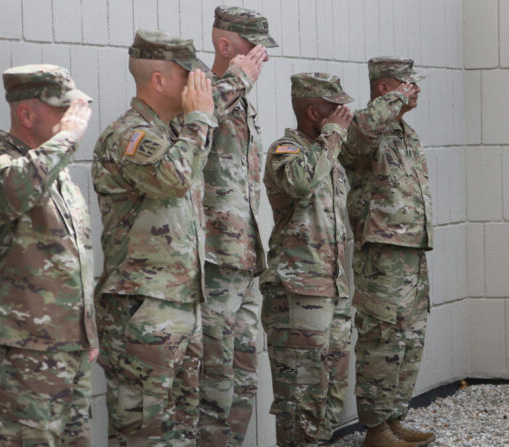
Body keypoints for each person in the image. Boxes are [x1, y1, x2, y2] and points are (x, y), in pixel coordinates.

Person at [92, 30, 260, 445]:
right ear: (159, 81)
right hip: (144, 311)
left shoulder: (173, 134)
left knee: (183, 430)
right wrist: (202, 116)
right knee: (145, 433)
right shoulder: (130, 137)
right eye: (187, 77)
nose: (195, 86)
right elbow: (173, 178)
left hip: (181, 306)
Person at [0, 64, 97, 445]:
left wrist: (88, 331)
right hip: (23, 354)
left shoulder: (55, 171)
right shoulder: (6, 165)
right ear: (26, 114)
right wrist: (67, 138)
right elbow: (18, 189)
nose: (73, 118)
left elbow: (74, 257)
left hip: (69, 348)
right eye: (62, 110)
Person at [340, 57, 436, 447]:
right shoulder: (366, 127)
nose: (416, 89)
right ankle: (376, 428)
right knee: (382, 339)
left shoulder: (404, 132)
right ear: (385, 89)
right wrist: (393, 102)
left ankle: (395, 417)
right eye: (407, 84)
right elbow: (356, 140)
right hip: (382, 254)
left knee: (410, 339)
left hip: (411, 250)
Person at [260, 72, 354, 447]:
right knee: (300, 398)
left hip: (333, 291)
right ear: (314, 112)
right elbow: (300, 183)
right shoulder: (286, 150)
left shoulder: (329, 156)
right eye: (335, 107)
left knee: (330, 395)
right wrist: (333, 137)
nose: (344, 113)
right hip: (297, 296)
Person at [199, 6, 275, 446]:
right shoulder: (201, 87)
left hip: (244, 257)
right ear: (225, 46)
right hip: (214, 257)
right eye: (253, 49)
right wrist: (239, 79)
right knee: (216, 373)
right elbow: (196, 121)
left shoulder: (238, 96)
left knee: (245, 371)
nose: (260, 59)